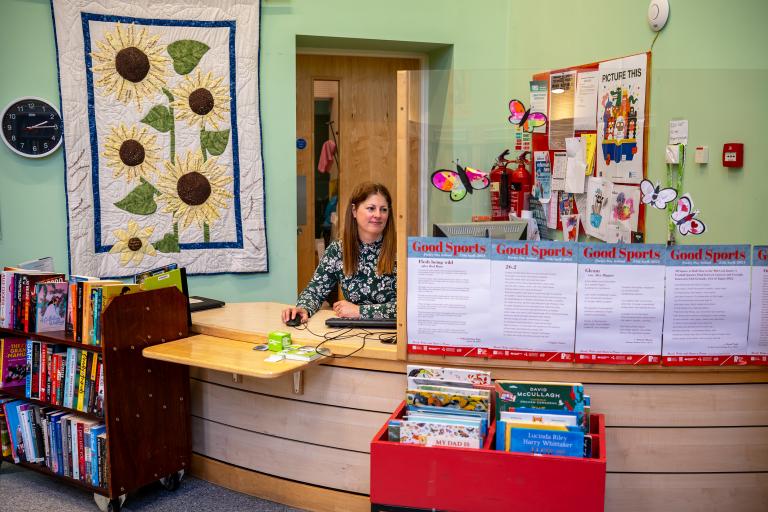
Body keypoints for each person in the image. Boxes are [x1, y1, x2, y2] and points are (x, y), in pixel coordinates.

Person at [282, 181, 397, 324]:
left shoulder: (401, 251)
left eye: (384, 209)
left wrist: (359, 311)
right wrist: (303, 308)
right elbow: (315, 291)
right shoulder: (338, 250)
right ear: (354, 211)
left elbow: (413, 306)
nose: (378, 215)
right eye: (371, 208)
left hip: (393, 336)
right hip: (353, 332)